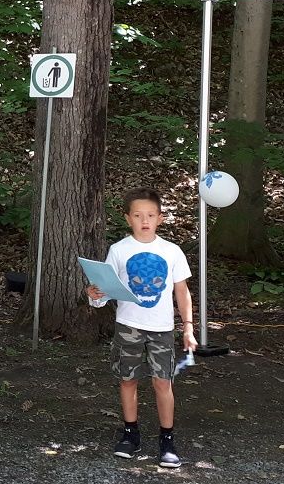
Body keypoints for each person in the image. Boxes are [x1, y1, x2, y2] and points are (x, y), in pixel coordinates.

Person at [85, 187, 196, 468]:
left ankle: (167, 438)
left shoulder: (171, 251)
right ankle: (130, 432)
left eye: (150, 215)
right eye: (137, 215)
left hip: (161, 328)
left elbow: (182, 292)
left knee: (163, 382)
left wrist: (188, 327)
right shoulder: (119, 250)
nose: (144, 220)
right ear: (127, 218)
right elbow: (107, 287)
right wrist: (95, 295)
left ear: (160, 218)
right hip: (128, 326)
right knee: (127, 379)